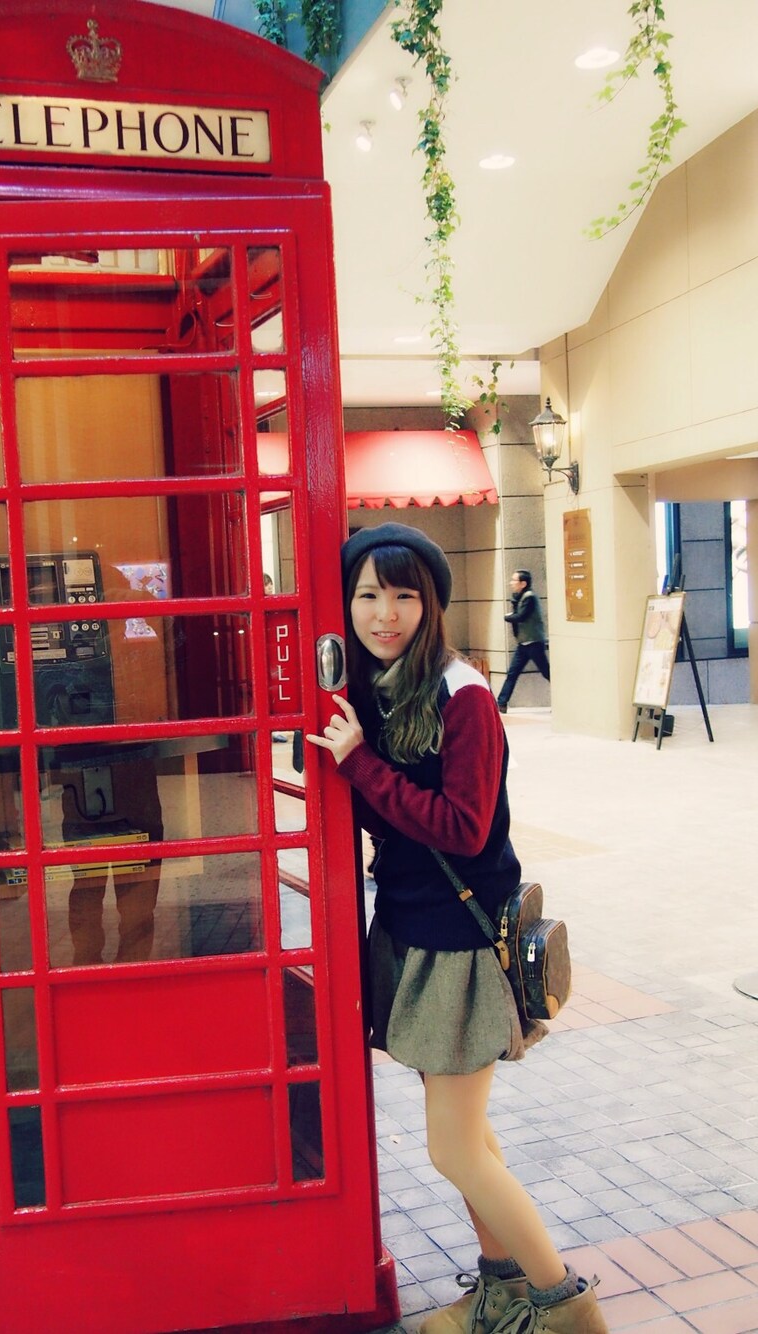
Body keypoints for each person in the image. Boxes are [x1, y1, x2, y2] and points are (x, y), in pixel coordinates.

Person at [307, 523, 606, 1334]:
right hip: (411, 930)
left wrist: (360, 763)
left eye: (405, 595)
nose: (385, 613)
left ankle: (565, 1306)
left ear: (431, 603)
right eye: (368, 595)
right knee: (468, 1135)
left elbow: (465, 828)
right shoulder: (379, 690)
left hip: (460, 942)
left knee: (454, 1148)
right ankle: (501, 1287)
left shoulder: (461, 693)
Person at [497, 570, 550, 714]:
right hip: (523, 644)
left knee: (547, 672)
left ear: (523, 583)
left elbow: (521, 616)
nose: (511, 583)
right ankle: (501, 703)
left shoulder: (529, 598)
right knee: (512, 673)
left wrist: (507, 617)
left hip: (534, 643)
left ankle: (563, 698)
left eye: (514, 580)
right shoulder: (520, 598)